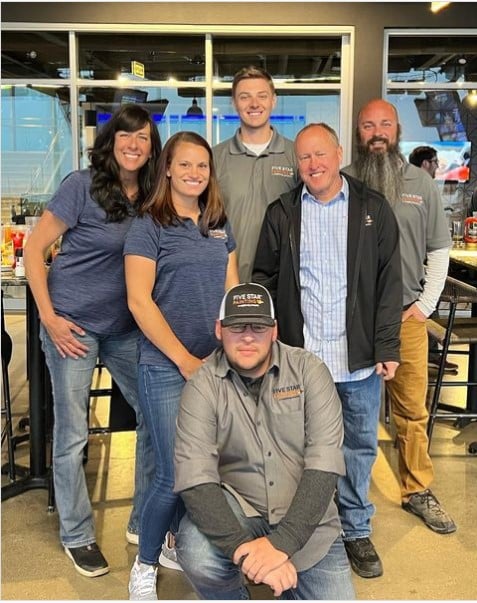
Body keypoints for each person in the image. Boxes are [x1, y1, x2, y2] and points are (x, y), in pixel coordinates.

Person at [253, 123, 403, 579]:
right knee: (299, 450)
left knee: (357, 448)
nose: (313, 165)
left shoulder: (372, 209)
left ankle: (355, 529)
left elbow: (389, 284)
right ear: (296, 165)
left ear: (338, 153)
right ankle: (308, 527)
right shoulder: (282, 212)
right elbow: (263, 278)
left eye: (320, 154)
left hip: (356, 362)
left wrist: (387, 345)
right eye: (304, 158)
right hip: (301, 361)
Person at [23, 104, 161, 577]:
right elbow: (34, 250)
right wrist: (49, 318)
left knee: (153, 415)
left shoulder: (150, 194)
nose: (134, 144)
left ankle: (143, 522)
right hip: (72, 325)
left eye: (143, 137)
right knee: (72, 432)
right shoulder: (80, 186)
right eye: (126, 136)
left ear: (151, 146)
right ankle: (77, 534)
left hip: (123, 328)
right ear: (111, 141)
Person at [173, 282, 355, 600]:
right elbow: (195, 479)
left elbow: (324, 467)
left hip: (308, 523)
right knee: (197, 551)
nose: (246, 336)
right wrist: (248, 553)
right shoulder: (201, 386)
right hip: (240, 512)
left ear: (274, 330)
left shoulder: (310, 372)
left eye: (258, 327)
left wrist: (281, 545)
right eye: (235, 326)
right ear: (219, 329)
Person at [124, 131, 239, 600]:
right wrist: (184, 359)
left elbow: (233, 292)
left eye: (203, 166)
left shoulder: (217, 222)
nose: (195, 173)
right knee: (174, 473)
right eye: (185, 164)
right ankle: (145, 564)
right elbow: (138, 301)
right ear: (168, 168)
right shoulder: (147, 226)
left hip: (214, 367)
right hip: (166, 366)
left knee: (206, 469)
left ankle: (171, 542)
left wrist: (236, 351)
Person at [342, 98, 456, 535]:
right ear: (358, 130)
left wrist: (425, 306)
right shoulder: (344, 181)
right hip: (353, 321)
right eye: (368, 124)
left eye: (384, 124)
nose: (376, 132)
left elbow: (439, 249)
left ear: (397, 130)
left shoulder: (420, 184)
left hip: (406, 319)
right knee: (350, 415)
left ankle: (417, 488)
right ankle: (346, 496)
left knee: (411, 412)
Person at [213, 65, 299, 282]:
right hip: (227, 281)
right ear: (234, 103)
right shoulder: (214, 158)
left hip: (282, 285)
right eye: (244, 97)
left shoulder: (296, 155)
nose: (254, 104)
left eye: (262, 96)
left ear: (273, 100)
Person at [409, 145, 459, 373]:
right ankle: (432, 354)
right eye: (436, 162)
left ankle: (432, 354)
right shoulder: (416, 186)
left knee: (431, 298)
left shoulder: (420, 187)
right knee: (429, 297)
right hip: (414, 275)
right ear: (426, 163)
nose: (438, 167)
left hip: (420, 270)